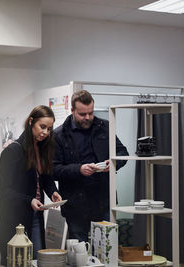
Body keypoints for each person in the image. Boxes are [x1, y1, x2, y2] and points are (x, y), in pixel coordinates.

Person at [53, 90, 129, 242]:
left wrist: (112, 163)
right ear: (72, 111)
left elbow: (122, 152)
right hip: (75, 204)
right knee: (79, 252)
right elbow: (53, 169)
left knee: (107, 249)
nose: (87, 117)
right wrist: (79, 169)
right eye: (82, 114)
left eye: (91, 113)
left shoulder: (105, 127)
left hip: (103, 201)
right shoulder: (59, 135)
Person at [0, 105, 63, 265]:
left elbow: (45, 177)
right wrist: (28, 200)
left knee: (37, 260)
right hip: (13, 219)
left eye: (49, 129)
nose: (45, 132)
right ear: (31, 122)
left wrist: (53, 191)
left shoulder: (43, 149)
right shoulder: (12, 151)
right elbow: (2, 190)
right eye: (42, 127)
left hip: (35, 216)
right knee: (17, 261)